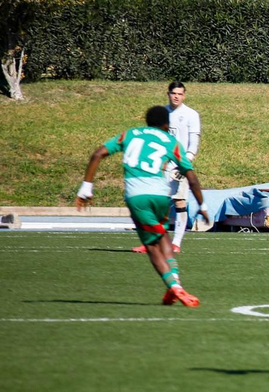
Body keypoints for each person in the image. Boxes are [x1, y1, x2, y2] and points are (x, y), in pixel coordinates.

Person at [75, 105, 211, 308]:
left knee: (151, 247)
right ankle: (174, 283)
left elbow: (97, 154)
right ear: (167, 124)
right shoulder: (170, 140)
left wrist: (86, 188)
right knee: (163, 236)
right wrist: (203, 205)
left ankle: (175, 288)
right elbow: (191, 176)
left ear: (148, 122)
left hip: (138, 196)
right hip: (161, 195)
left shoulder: (130, 134)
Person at [164, 80, 201, 251]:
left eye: (180, 94)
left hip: (179, 166)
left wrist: (185, 164)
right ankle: (153, 241)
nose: (176, 96)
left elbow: (193, 143)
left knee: (179, 202)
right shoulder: (162, 113)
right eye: (174, 93)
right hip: (161, 166)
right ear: (168, 94)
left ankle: (176, 242)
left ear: (184, 95)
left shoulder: (191, 114)